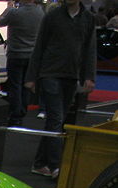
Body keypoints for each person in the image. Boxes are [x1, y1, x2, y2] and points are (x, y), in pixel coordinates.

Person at [25, 0, 96, 178]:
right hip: (49, 73)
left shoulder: (88, 19)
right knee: (56, 119)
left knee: (57, 121)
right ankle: (57, 166)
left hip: (71, 76)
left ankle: (40, 163)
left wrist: (89, 76)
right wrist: (31, 77)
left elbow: (89, 49)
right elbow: (39, 45)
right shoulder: (52, 16)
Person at [0, 0, 44, 125]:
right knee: (26, 85)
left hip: (15, 54)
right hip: (32, 55)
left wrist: (8, 8)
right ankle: (22, 112)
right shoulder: (40, 13)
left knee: (15, 86)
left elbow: (0, 22)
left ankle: (15, 114)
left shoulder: (14, 12)